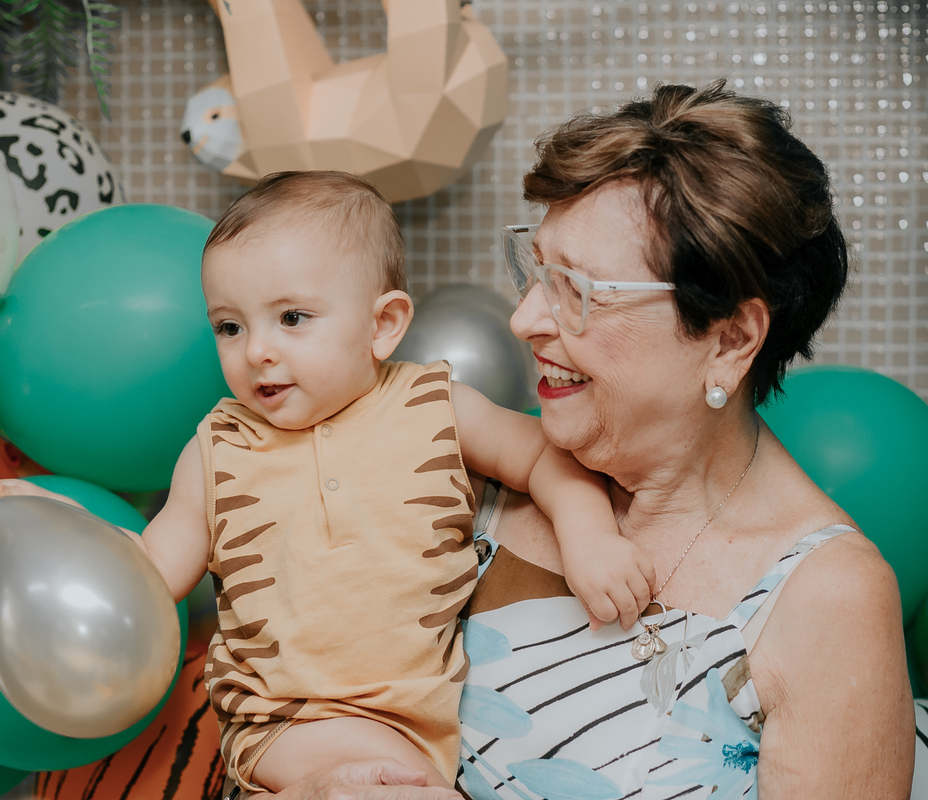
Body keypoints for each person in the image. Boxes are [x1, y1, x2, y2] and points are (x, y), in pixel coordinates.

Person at [248, 81, 914, 800]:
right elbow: (270, 695)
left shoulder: (827, 600)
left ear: (729, 339)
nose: (524, 319)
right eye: (537, 270)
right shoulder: (462, 472)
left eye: (579, 290)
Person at [0, 171, 657, 796]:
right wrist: (58, 531)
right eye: (230, 326)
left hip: (409, 723)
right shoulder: (219, 447)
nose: (257, 350)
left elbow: (542, 457)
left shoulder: (436, 406)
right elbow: (152, 571)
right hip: (281, 727)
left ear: (382, 325)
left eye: (292, 318)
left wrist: (590, 536)